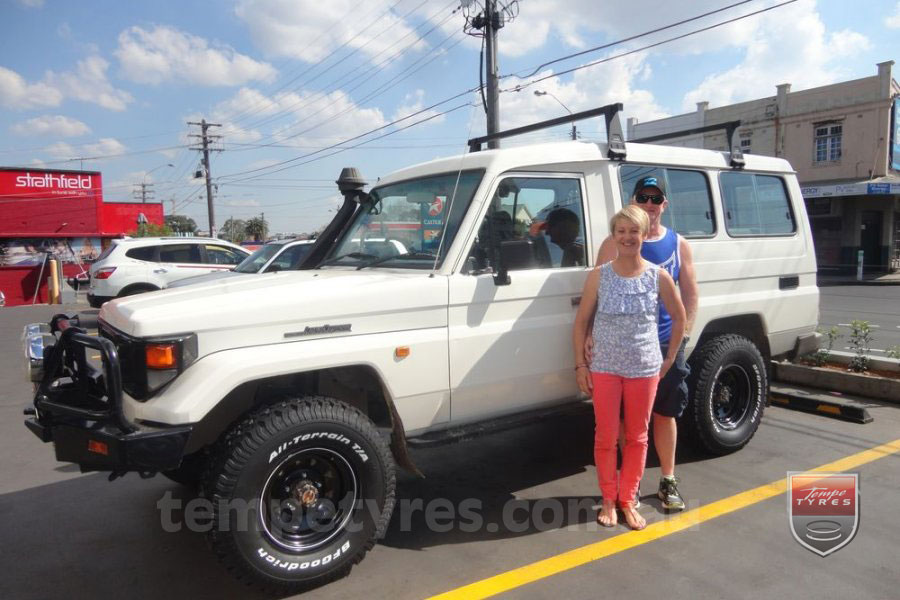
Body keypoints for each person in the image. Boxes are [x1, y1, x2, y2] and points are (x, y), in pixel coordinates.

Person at [588, 175, 699, 512]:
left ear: (664, 204)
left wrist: (681, 341)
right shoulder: (616, 241)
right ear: (633, 201)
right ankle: (625, 490)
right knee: (625, 422)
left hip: (663, 346)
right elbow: (597, 293)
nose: (650, 204)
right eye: (643, 197)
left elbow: (690, 294)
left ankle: (667, 480)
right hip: (621, 350)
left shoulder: (678, 244)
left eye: (656, 199)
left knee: (664, 415)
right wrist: (592, 335)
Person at [573, 205, 686, 530]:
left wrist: (668, 358)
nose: (627, 237)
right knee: (606, 436)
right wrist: (580, 364)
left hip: (644, 368)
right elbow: (581, 322)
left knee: (637, 437)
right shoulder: (600, 275)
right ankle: (608, 499)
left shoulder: (657, 275)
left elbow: (679, 318)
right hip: (605, 366)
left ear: (644, 234)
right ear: (614, 235)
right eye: (620, 231)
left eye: (633, 231)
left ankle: (627, 499)